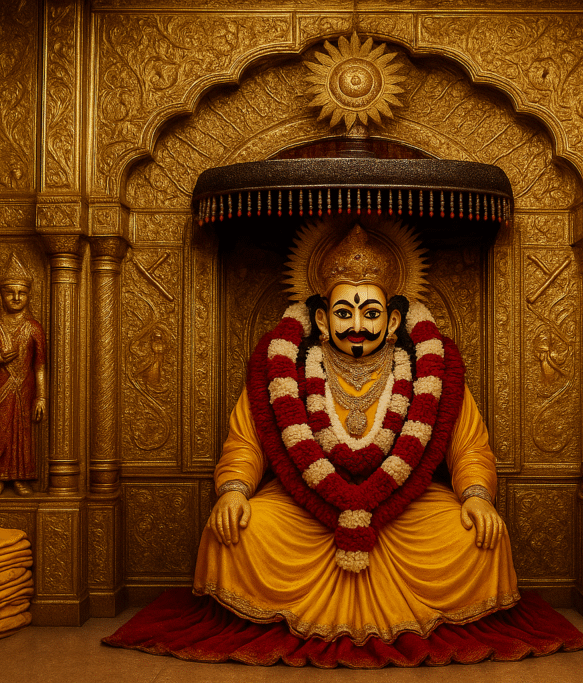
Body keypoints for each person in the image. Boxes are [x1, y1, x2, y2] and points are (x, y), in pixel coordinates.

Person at [193, 218, 519, 644]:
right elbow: (246, 442)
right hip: (305, 507)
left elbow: (469, 447)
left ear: (394, 319)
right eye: (345, 313)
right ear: (324, 321)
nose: (358, 326)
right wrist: (234, 490)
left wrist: (476, 495)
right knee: (245, 532)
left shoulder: (429, 369)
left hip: (405, 506)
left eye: (371, 313)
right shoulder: (286, 368)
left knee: (470, 536)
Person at [0, 253, 46, 496]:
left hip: (24, 387)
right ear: (1, 295)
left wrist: (41, 397)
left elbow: (39, 364)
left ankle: (20, 477)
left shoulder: (34, 327)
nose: (16, 297)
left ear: (28, 296)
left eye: (22, 293)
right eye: (10, 292)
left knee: (22, 434)